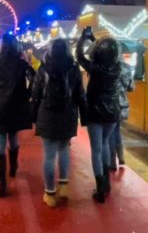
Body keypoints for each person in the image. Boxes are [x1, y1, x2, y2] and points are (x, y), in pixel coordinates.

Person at [31, 39, 87, 208]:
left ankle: (49, 193)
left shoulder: (44, 68)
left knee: (48, 156)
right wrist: (83, 116)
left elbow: (36, 94)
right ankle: (63, 186)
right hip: (68, 115)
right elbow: (80, 94)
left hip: (47, 115)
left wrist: (33, 117)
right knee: (64, 150)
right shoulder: (74, 68)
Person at [0, 34, 35, 198]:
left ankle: (2, 183)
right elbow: (35, 78)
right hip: (16, 106)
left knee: (0, 142)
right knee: (13, 137)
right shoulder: (22, 64)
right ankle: (13, 167)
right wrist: (27, 93)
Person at [76, 27, 122, 203]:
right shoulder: (117, 68)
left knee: (96, 148)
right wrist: (95, 40)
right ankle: (106, 182)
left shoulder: (94, 68)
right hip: (112, 112)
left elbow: (80, 56)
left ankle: (100, 186)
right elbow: (106, 52)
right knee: (104, 144)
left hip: (95, 110)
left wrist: (84, 38)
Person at [109, 60, 135, 169]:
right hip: (122, 104)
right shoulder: (127, 68)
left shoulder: (108, 67)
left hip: (110, 104)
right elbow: (132, 88)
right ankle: (121, 156)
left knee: (111, 132)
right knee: (117, 130)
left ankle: (112, 160)